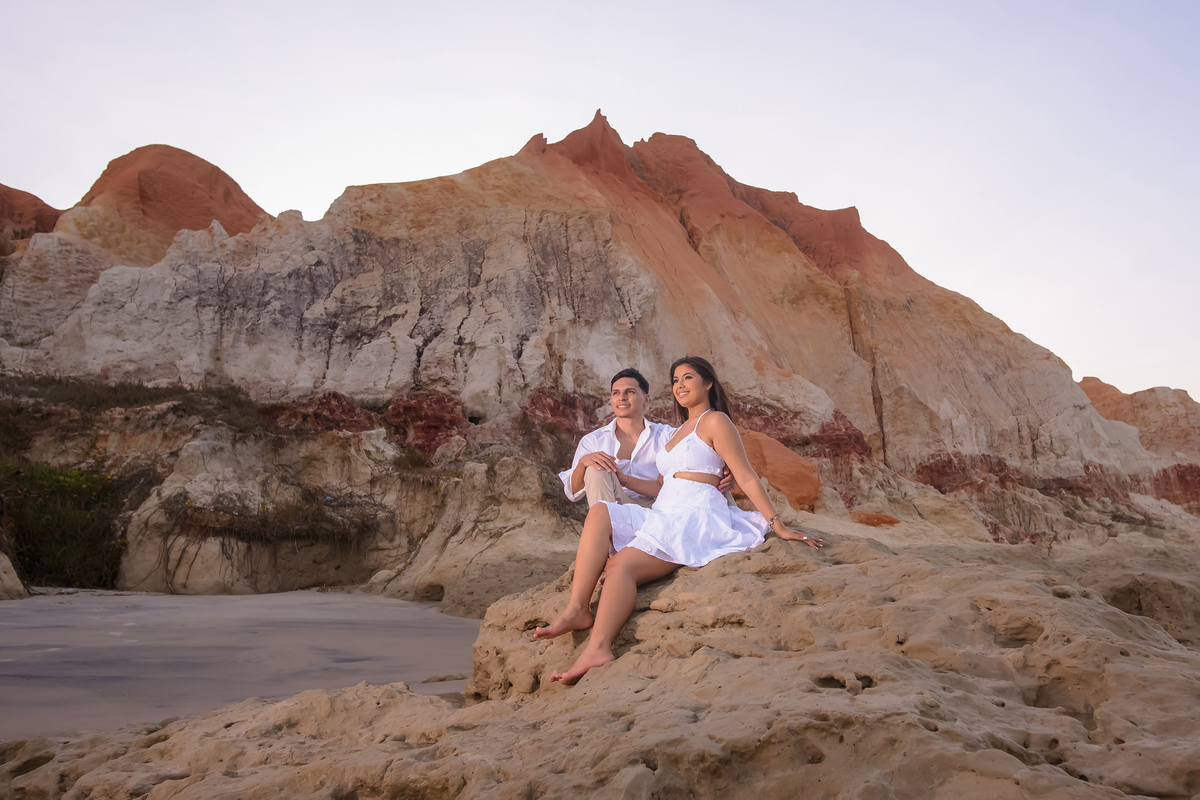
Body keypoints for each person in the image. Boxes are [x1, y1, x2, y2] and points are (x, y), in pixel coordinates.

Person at [536, 356, 823, 685]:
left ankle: (598, 648)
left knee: (621, 567)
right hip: (665, 508)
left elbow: (745, 475)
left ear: (708, 383)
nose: (680, 385)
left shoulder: (715, 421)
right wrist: (623, 479)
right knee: (600, 511)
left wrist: (778, 524)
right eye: (675, 380)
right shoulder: (678, 431)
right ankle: (577, 609)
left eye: (688, 378)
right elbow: (662, 484)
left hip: (693, 512)